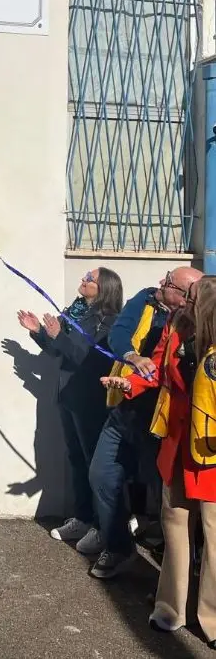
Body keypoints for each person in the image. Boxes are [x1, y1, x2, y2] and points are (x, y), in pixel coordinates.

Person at [101, 275, 216, 645]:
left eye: (189, 295)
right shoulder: (175, 329)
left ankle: (212, 620)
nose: (180, 300)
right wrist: (130, 383)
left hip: (211, 451)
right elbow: (156, 371)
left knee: (215, 537)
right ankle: (170, 609)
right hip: (177, 444)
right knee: (175, 529)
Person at [88, 266, 203, 580]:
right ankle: (119, 546)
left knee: (169, 497)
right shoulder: (149, 302)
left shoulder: (201, 328)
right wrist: (131, 374)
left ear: (188, 295)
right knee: (101, 474)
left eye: (169, 283)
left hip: (170, 426)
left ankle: (181, 565)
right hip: (130, 410)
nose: (160, 284)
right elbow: (133, 345)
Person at [18, 267, 123, 556]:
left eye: (89, 279)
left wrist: (58, 336)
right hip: (69, 398)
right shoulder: (81, 314)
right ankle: (83, 517)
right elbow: (59, 351)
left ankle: (103, 528)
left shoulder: (112, 323)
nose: (83, 281)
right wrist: (39, 333)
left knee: (95, 466)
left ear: (104, 288)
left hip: (90, 402)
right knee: (76, 460)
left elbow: (91, 360)